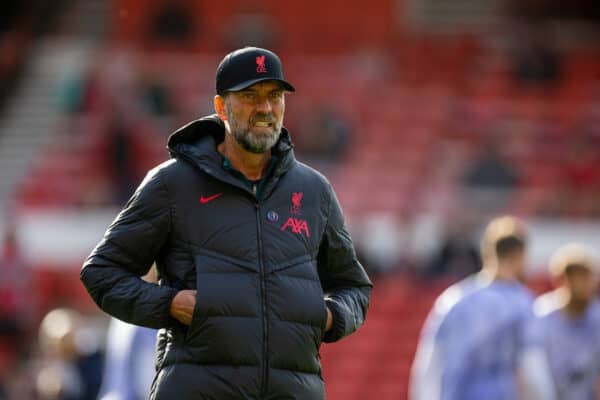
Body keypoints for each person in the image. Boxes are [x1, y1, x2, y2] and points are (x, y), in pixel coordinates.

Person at [80, 46, 372, 400]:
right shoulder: (172, 184)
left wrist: (328, 316)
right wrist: (169, 304)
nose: (265, 108)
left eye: (274, 96)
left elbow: (354, 287)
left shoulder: (315, 191)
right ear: (221, 107)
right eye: (250, 96)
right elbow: (101, 273)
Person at [409, 216, 540, 400]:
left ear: (487, 252)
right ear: (520, 255)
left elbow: (428, 364)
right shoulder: (523, 303)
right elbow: (534, 371)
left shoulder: (453, 298)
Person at [523, 243, 600, 400]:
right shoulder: (542, 316)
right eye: (582, 277)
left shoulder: (597, 317)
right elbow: (531, 370)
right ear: (565, 280)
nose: (589, 285)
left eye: (590, 278)